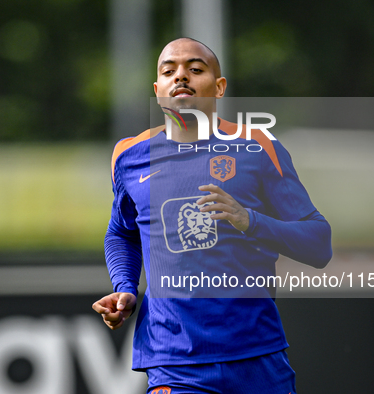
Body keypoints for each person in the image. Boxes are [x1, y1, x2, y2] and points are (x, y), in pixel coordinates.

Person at [92, 37, 332, 394]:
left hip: (257, 356)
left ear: (219, 87)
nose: (181, 77)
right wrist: (125, 287)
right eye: (169, 71)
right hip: (174, 362)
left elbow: (318, 244)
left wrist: (250, 220)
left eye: (195, 69)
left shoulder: (258, 147)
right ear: (158, 90)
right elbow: (122, 232)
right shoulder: (129, 156)